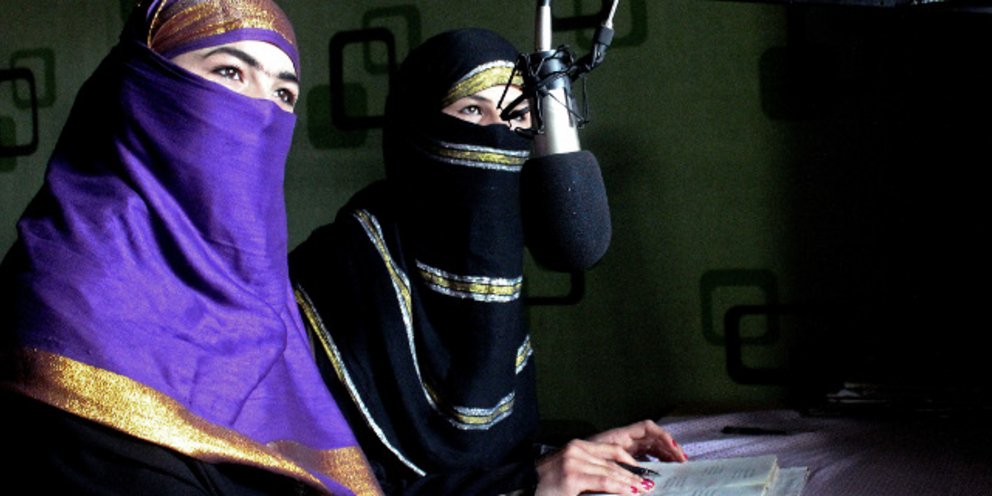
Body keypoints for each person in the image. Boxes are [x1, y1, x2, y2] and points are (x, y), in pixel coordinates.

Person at [0, 1, 380, 494]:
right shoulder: (69, 303)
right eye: (229, 72)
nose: (264, 113)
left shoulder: (264, 301)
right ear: (144, 88)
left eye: (284, 93)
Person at [289, 28, 686, 496]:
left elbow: (482, 470)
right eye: (472, 111)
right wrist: (526, 483)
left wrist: (569, 459)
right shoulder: (334, 276)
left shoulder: (489, 273)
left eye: (517, 116)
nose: (499, 135)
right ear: (416, 126)